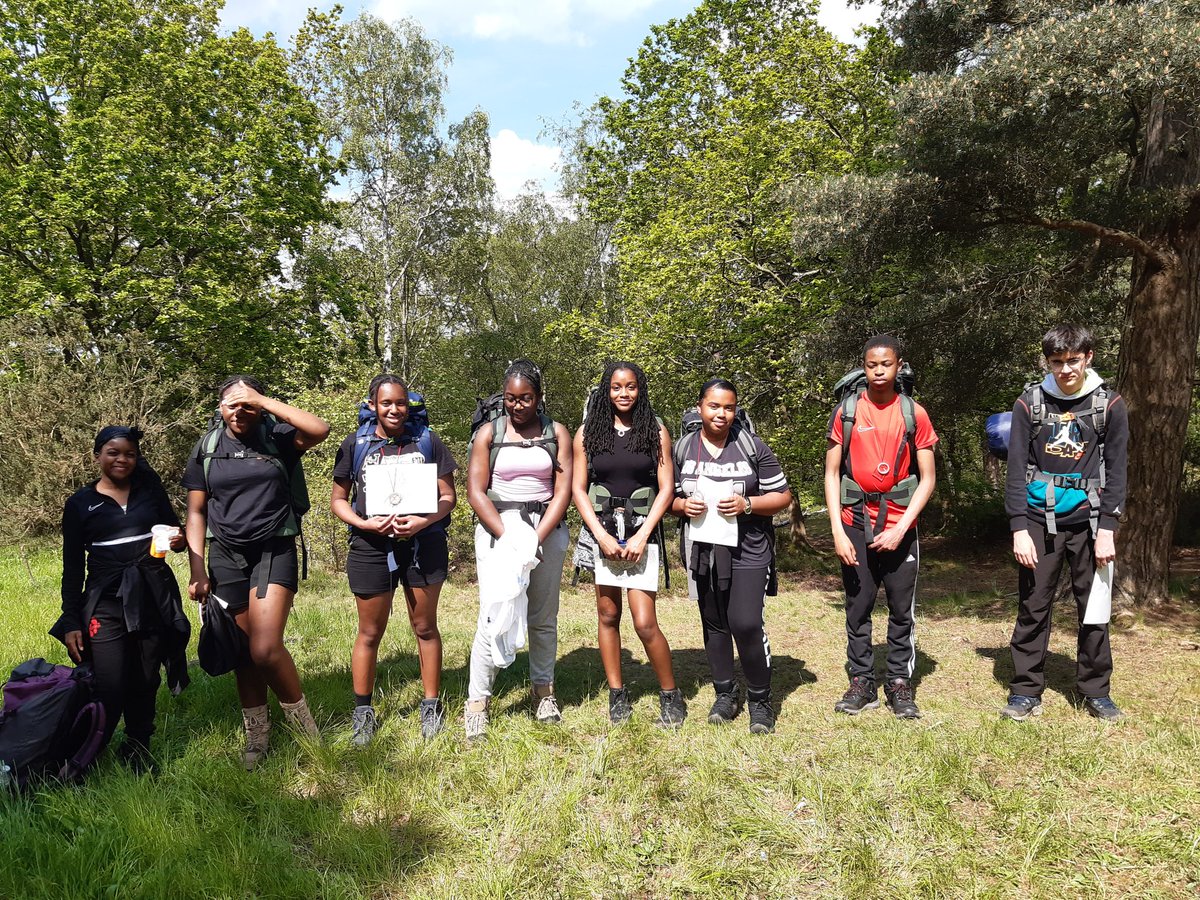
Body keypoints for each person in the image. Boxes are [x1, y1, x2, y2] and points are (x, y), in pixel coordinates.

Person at [182, 376, 330, 769]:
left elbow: (320, 429)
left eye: (247, 404)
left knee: (264, 648)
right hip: (225, 555)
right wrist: (197, 568)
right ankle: (257, 735)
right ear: (220, 408)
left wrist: (262, 401)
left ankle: (305, 729)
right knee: (243, 652)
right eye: (232, 404)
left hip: (273, 548)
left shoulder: (277, 436)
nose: (240, 411)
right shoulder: (207, 447)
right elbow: (196, 511)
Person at [1002, 324, 1128, 722]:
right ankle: (1025, 690)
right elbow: (1015, 470)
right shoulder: (1029, 403)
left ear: (1088, 357)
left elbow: (1117, 471)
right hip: (1038, 521)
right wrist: (1019, 528)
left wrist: (1107, 529)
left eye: (1073, 360)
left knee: (1094, 608)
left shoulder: (1109, 404)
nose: (1065, 370)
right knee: (1033, 605)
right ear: (1047, 362)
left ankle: (1096, 691)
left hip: (1091, 522)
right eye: (1056, 362)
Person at [51, 426, 191, 772]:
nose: (122, 459)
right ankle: (86, 754)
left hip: (151, 595)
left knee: (146, 678)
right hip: (106, 601)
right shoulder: (80, 504)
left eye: (129, 453)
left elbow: (177, 534)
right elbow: (72, 568)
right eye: (113, 452)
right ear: (97, 455)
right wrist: (71, 620)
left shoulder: (150, 492)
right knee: (108, 683)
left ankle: (138, 749)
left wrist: (179, 540)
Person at [330, 375, 458, 743]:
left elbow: (448, 496)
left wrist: (423, 520)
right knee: (370, 632)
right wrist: (363, 524)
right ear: (373, 405)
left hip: (424, 545)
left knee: (425, 627)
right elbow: (338, 500)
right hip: (370, 547)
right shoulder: (356, 444)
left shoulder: (427, 440)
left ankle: (431, 706)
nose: (394, 410)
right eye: (386, 403)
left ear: (408, 404)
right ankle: (363, 712)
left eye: (400, 403)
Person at [824, 335, 938, 719]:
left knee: (901, 609)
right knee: (858, 607)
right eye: (871, 365)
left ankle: (899, 683)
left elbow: (927, 478)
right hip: (854, 521)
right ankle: (862, 681)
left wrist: (902, 528)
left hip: (899, 522)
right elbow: (831, 473)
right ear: (864, 366)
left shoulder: (914, 413)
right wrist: (837, 531)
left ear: (898, 365)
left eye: (886, 364)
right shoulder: (847, 412)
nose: (878, 371)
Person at [671, 379, 792, 734]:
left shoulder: (751, 446)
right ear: (700, 407)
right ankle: (725, 694)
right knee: (715, 623)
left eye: (728, 407)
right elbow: (667, 497)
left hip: (749, 548)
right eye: (714, 406)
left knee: (746, 622)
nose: (721, 414)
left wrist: (747, 504)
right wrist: (682, 506)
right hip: (703, 550)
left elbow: (783, 497)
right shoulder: (682, 448)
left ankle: (760, 699)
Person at [572, 362, 685, 727]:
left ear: (641, 389)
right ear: (607, 390)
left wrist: (643, 534)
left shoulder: (655, 430)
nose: (624, 393)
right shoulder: (588, 433)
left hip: (641, 533)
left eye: (631, 386)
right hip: (602, 532)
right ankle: (617, 694)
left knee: (644, 621)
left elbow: (666, 489)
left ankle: (671, 695)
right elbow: (578, 489)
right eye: (617, 387)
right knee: (608, 615)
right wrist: (601, 536)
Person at [464, 360, 573, 740]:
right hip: (499, 532)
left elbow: (562, 491)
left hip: (546, 532)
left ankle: (544, 693)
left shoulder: (557, 433)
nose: (517, 405)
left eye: (525, 398)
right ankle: (477, 703)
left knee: (543, 617)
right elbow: (475, 491)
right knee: (493, 614)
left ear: (539, 397)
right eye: (511, 398)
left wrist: (535, 539)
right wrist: (509, 537)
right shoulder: (488, 434)